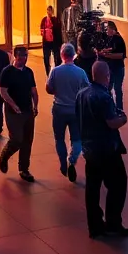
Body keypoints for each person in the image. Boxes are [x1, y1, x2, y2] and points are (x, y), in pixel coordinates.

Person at [76, 61, 128, 239]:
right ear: (107, 76)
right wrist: (123, 119)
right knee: (118, 184)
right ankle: (113, 223)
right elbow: (112, 122)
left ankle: (94, 226)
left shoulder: (82, 94)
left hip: (89, 148)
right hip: (107, 149)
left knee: (92, 187)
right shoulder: (103, 96)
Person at [45, 42, 88, 181]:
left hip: (59, 108)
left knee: (59, 138)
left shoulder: (55, 71)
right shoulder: (80, 72)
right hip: (75, 109)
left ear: (62, 55)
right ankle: (72, 159)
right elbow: (87, 89)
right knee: (76, 138)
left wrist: (58, 90)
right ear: (73, 55)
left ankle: (63, 161)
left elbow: (49, 88)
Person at [0, 45, 39, 182]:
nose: (24, 59)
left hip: (27, 110)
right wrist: (13, 104)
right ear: (15, 56)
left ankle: (24, 169)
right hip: (13, 111)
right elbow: (3, 91)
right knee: (17, 139)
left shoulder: (29, 72)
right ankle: (5, 155)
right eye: (21, 56)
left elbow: (33, 90)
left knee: (28, 140)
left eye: (26, 56)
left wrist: (35, 105)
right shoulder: (7, 72)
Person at [97, 21, 127, 110]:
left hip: (118, 68)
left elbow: (122, 55)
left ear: (113, 29)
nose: (106, 31)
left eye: (108, 29)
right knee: (108, 88)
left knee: (117, 88)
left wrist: (108, 55)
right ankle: (111, 107)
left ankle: (119, 108)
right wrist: (102, 52)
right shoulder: (107, 38)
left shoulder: (118, 39)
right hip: (109, 68)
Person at [39, 5, 63, 73]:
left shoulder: (55, 19)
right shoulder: (44, 20)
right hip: (46, 42)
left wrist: (60, 43)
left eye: (50, 10)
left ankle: (57, 72)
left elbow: (58, 32)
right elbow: (41, 30)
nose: (49, 12)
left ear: (52, 11)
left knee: (57, 58)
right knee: (46, 59)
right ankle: (48, 72)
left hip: (54, 42)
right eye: (48, 10)